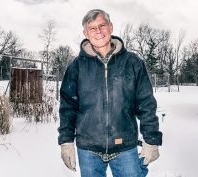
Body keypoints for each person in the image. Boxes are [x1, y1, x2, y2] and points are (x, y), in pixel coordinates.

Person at [58, 9, 163, 177]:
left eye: (102, 25)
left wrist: (152, 140)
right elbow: (67, 107)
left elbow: (146, 104)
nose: (98, 31)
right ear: (85, 33)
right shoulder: (77, 67)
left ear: (111, 27)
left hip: (125, 147)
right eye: (92, 28)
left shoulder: (132, 62)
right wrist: (66, 141)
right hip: (88, 148)